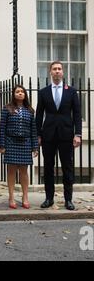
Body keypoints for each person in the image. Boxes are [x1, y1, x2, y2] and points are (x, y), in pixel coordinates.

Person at [36, 61, 82, 211]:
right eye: (54, 69)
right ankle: (49, 198)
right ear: (50, 72)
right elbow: (39, 115)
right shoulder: (43, 92)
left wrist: (78, 134)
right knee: (48, 168)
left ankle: (68, 200)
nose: (57, 71)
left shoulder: (71, 91)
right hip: (48, 135)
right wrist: (37, 135)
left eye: (59, 69)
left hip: (66, 135)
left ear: (63, 72)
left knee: (67, 168)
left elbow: (77, 114)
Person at [0, 85, 38, 209]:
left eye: (22, 92)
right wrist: (2, 145)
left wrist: (35, 147)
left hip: (25, 143)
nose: (20, 93)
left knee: (24, 171)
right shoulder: (7, 109)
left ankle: (25, 196)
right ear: (14, 94)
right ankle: (11, 197)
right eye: (17, 91)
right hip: (11, 142)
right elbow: (2, 128)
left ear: (25, 94)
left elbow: (33, 130)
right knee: (11, 171)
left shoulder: (30, 110)